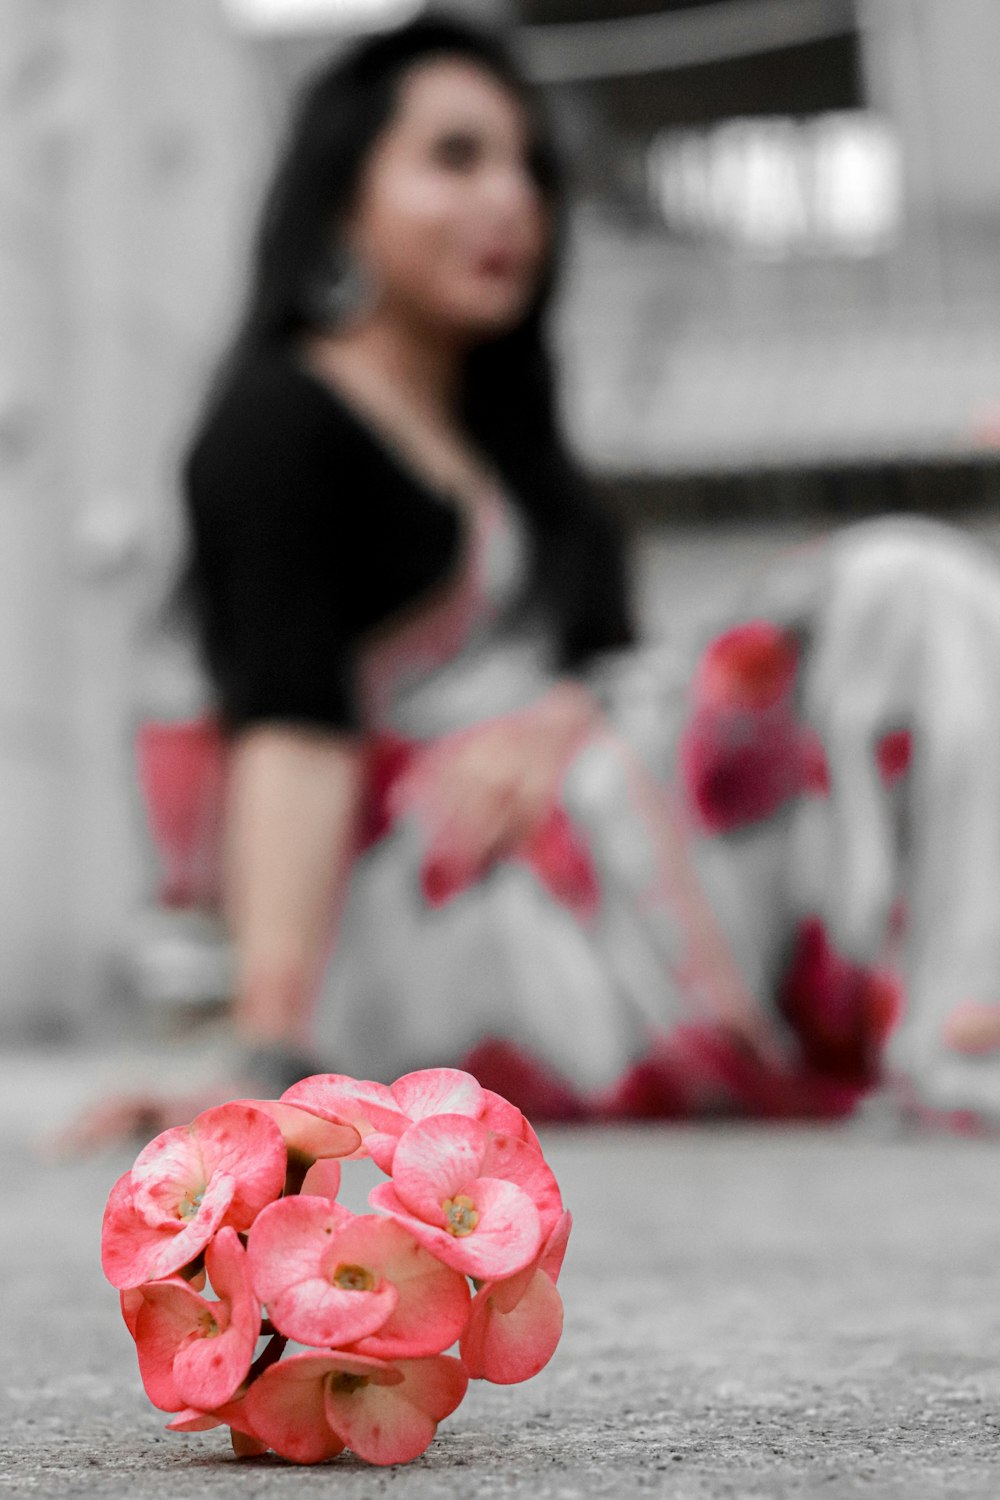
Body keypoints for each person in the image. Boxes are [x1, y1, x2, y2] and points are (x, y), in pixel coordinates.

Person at [78, 15, 1000, 1147]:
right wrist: (268, 1054)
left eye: (527, 167)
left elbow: (612, 673)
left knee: (899, 618)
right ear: (339, 197)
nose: (509, 198)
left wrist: (563, 718)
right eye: (455, 158)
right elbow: (291, 728)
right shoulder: (284, 421)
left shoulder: (527, 463)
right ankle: (955, 1039)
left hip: (592, 863)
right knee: (897, 587)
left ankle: (946, 1013)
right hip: (435, 921)